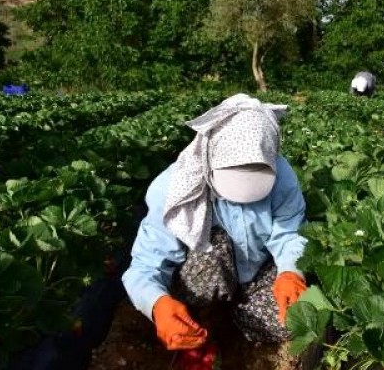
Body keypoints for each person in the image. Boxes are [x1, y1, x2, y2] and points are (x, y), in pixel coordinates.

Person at [122, 94, 308, 350]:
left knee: (293, 321)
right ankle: (206, 314)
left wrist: (290, 271)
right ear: (209, 158)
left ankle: (238, 319)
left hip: (258, 272)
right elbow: (144, 265)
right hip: (206, 274)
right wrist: (157, 304)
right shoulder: (173, 188)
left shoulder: (282, 176)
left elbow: (289, 233)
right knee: (214, 246)